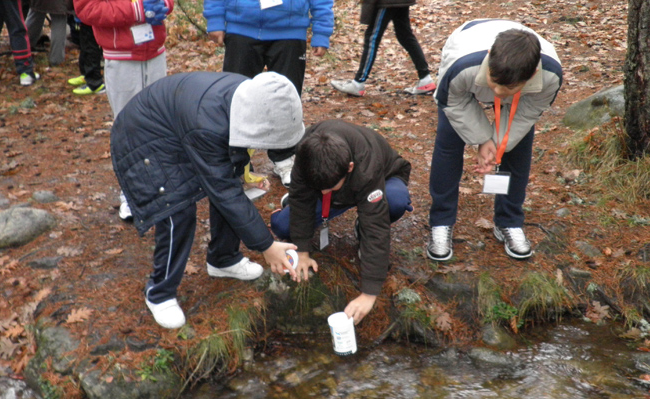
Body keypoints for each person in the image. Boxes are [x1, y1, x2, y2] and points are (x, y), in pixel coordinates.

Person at [111, 71, 304, 329]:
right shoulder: (209, 123)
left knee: (233, 181)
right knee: (176, 210)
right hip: (143, 136)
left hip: (181, 126)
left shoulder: (249, 99)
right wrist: (267, 245)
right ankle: (159, 293)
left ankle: (223, 259)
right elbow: (222, 189)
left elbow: (228, 179)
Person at [204, 0, 334, 188]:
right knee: (236, 97)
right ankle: (237, 160)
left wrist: (322, 30)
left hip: (289, 29)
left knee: (286, 98)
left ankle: (284, 157)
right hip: (241, 26)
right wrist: (215, 19)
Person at [74, 0, 172, 220]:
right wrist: (137, 11)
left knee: (159, 123)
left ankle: (158, 183)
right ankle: (131, 191)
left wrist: (163, 4)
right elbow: (86, 8)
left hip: (155, 51)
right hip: (120, 57)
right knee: (129, 125)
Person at [426, 19, 563, 262]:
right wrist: (481, 138)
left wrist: (498, 143)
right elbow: (453, 102)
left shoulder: (549, 77)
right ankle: (441, 221)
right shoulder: (460, 67)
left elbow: (526, 114)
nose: (498, 92)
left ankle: (509, 221)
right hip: (465, 65)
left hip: (521, 87)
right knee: (449, 143)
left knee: (517, 148)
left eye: (507, 88)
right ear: (489, 58)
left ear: (532, 76)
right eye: (494, 82)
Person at [271, 121, 412, 324]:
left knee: (395, 201)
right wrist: (302, 250)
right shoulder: (306, 155)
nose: (324, 192)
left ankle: (358, 225)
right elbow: (303, 200)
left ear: (350, 167)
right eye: (319, 188)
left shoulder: (366, 166)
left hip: (383, 179)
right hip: (336, 185)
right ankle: (294, 201)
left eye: (328, 187)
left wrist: (369, 293)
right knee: (283, 227)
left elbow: (376, 228)